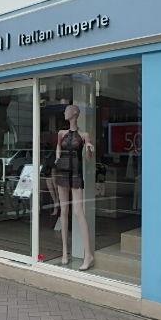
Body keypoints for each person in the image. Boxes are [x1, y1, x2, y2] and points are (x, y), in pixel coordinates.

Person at [54, 105, 95, 270]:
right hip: (62, 173)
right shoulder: (61, 133)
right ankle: (65, 251)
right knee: (64, 211)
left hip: (76, 174)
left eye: (67, 110)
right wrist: (57, 157)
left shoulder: (84, 135)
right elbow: (58, 148)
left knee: (78, 212)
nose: (65, 112)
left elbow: (88, 157)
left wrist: (89, 148)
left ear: (75, 113)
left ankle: (88, 254)